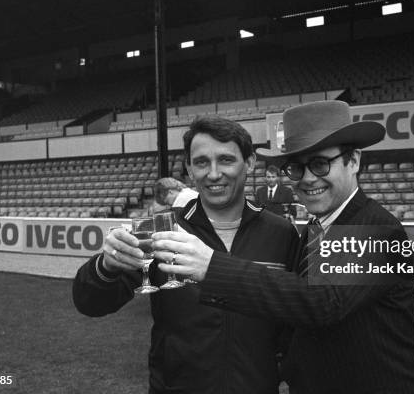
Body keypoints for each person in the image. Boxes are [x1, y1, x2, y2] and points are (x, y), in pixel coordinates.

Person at [152, 100, 414, 394]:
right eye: (296, 168)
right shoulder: (316, 228)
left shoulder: (377, 228)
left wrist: (213, 267)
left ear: (354, 161)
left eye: (320, 163)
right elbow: (292, 314)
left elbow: (322, 302)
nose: (308, 179)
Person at [72, 116, 300, 394]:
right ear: (190, 170)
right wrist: (105, 266)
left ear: (250, 162)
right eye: (202, 162)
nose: (214, 173)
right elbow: (90, 303)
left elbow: (296, 317)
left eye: (226, 160)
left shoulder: (281, 233)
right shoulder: (160, 228)